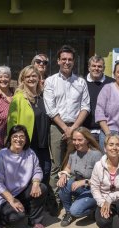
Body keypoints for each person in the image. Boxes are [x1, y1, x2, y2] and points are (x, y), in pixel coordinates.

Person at [43, 45, 90, 213]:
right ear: (58, 61)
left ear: (74, 61)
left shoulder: (80, 82)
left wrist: (73, 129)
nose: (67, 62)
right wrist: (65, 128)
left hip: (77, 127)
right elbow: (50, 108)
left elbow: (85, 107)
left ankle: (73, 198)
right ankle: (56, 201)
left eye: (70, 59)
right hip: (56, 126)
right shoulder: (50, 81)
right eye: (64, 59)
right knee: (57, 165)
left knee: (76, 164)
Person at [7, 65, 54, 213]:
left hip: (43, 143)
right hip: (27, 144)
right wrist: (13, 145)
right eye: (28, 76)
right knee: (27, 176)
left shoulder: (43, 96)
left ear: (39, 78)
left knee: (45, 172)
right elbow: (11, 122)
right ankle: (27, 206)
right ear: (23, 79)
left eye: (34, 76)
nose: (31, 79)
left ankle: (40, 203)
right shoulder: (19, 98)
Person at [0, 125, 48, 228]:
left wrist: (36, 183)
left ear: (26, 139)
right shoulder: (1, 155)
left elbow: (37, 170)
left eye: (22, 136)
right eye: (15, 136)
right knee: (16, 217)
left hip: (20, 192)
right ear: (10, 138)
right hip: (2, 196)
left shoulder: (30, 153)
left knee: (42, 188)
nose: (18, 139)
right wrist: (11, 199)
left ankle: (35, 221)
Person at [57, 127, 102, 226]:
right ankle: (68, 213)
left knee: (76, 211)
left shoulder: (96, 155)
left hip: (93, 190)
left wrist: (84, 182)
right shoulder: (73, 153)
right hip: (79, 187)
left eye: (80, 140)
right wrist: (64, 174)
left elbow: (102, 180)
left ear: (87, 140)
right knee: (63, 185)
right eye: (74, 140)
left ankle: (94, 209)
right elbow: (68, 168)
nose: (76, 143)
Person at [83, 55, 115, 143]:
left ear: (104, 68)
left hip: (106, 131)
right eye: (93, 66)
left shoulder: (112, 83)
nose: (96, 68)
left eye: (99, 66)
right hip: (85, 132)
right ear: (89, 67)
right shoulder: (81, 82)